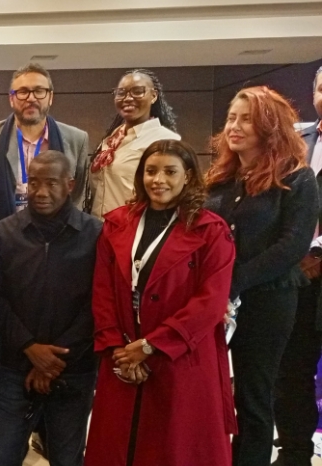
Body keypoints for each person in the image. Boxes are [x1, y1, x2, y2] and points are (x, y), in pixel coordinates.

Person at [87, 140, 237, 465]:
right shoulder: (117, 223)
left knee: (174, 449)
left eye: (170, 172)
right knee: (117, 446)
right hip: (123, 355)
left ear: (188, 176)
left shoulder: (212, 231)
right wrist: (118, 349)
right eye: (151, 171)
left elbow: (210, 303)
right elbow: (102, 292)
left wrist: (151, 346)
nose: (158, 180)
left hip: (181, 356)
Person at [204, 87, 319, 466]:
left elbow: (292, 246)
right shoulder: (219, 178)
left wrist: (232, 283)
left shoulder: (297, 178)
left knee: (253, 399)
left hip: (268, 301)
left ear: (270, 125)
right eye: (231, 118)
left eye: (246, 119)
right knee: (211, 395)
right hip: (214, 301)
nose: (234, 127)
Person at [0, 151, 101, 466]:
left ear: (70, 185)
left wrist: (53, 361)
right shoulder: (4, 232)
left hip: (74, 367)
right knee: (2, 456)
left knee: (66, 458)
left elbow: (99, 303)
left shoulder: (95, 234)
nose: (40, 192)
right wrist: (30, 348)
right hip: (15, 364)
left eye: (51, 183)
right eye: (34, 182)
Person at [275, 65, 322, 466]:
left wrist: (319, 254)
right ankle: (294, 452)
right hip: (296, 277)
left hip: (313, 263)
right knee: (291, 371)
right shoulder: (295, 139)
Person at [0, 63, 91, 221]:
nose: (31, 98)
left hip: (55, 231)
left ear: (50, 97)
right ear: (11, 99)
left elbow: (77, 194)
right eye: (23, 92)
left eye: (39, 91)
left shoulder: (76, 139)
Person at [86, 69, 181, 219]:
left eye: (137, 92)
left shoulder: (164, 141)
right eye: (121, 93)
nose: (128, 98)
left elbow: (169, 196)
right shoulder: (112, 139)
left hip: (133, 228)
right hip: (99, 228)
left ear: (154, 96)